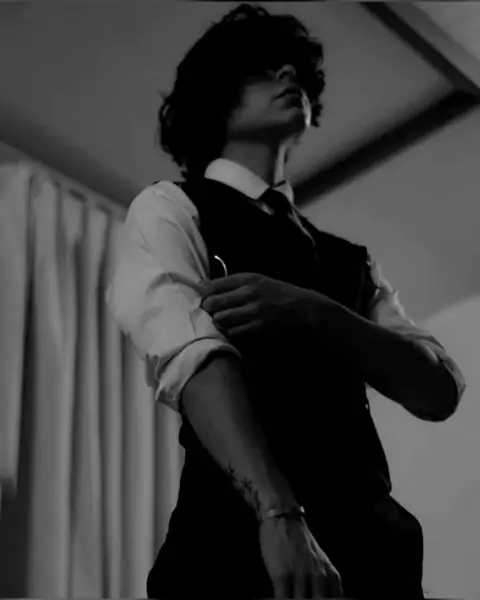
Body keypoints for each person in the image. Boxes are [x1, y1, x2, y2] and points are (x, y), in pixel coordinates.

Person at [105, 4, 467, 599]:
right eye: (262, 69)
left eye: (293, 69)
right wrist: (278, 514)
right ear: (216, 96)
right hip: (231, 554)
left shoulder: (353, 262)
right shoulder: (171, 207)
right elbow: (191, 359)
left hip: (376, 560)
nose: (287, 75)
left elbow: (438, 388)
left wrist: (315, 313)